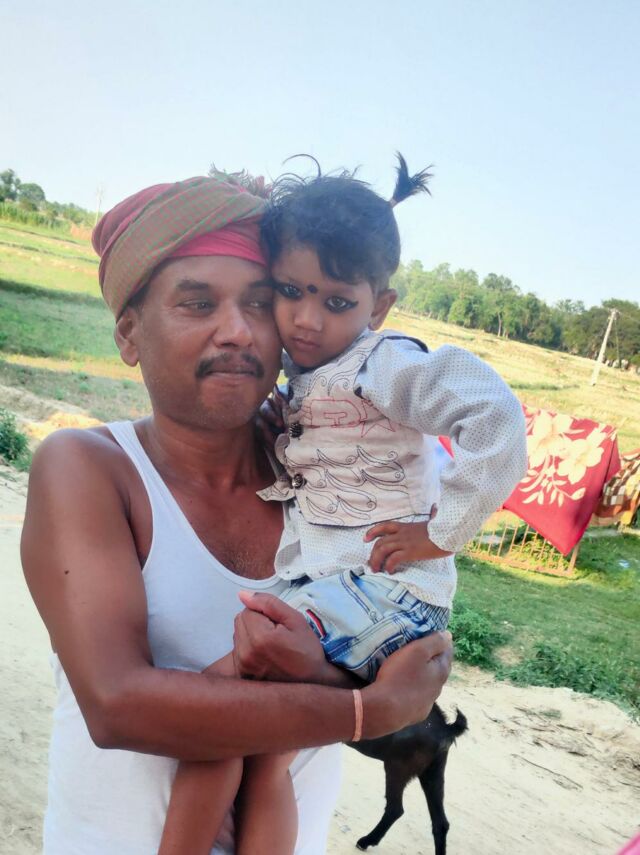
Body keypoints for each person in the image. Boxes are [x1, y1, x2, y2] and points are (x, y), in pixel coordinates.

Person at [21, 171, 453, 855]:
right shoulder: (92, 470)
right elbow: (118, 704)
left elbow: (409, 664)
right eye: (198, 304)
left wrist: (370, 689)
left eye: (259, 301)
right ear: (129, 334)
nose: (238, 331)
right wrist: (363, 710)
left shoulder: (326, 480)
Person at [159, 159, 528, 854]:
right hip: (347, 592)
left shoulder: (381, 364)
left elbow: (497, 416)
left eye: (336, 302)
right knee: (267, 751)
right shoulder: (311, 376)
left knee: (216, 706)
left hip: (386, 593)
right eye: (291, 291)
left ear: (377, 307)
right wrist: (283, 438)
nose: (306, 319)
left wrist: (441, 531)